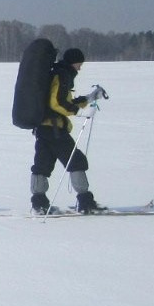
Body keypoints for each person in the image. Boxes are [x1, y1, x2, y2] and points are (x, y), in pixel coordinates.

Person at [30, 48, 107, 214]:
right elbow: (56, 102)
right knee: (76, 161)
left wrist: (90, 98)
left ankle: (39, 204)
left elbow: (66, 102)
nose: (80, 68)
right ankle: (85, 202)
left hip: (43, 128)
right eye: (80, 64)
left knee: (42, 165)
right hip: (55, 129)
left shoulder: (57, 73)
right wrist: (80, 113)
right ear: (74, 62)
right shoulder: (62, 75)